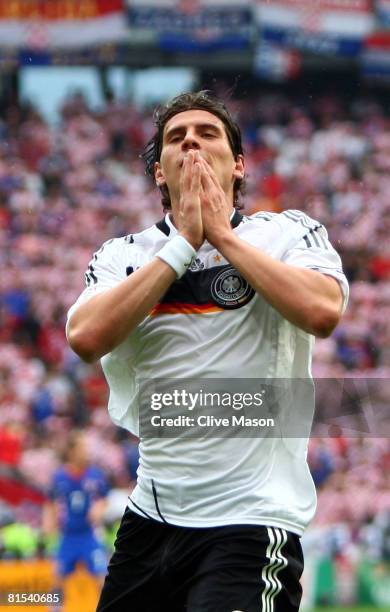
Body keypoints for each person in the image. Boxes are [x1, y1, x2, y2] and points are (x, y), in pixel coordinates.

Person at [66, 91, 349, 611]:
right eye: (176, 138)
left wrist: (222, 236)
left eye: (207, 133)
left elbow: (323, 311)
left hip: (248, 521)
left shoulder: (287, 232)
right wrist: (183, 246)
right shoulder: (123, 254)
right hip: (151, 520)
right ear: (159, 172)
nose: (191, 141)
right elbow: (85, 337)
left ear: (238, 164)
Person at [42, 431, 108, 597]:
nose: (87, 451)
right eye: (83, 448)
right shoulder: (59, 477)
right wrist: (48, 523)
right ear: (72, 451)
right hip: (67, 535)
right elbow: (50, 502)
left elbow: (103, 498)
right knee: (57, 580)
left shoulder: (96, 475)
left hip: (89, 535)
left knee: (103, 579)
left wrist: (99, 509)